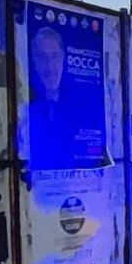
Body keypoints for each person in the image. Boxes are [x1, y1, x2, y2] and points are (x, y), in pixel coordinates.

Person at [29, 25, 99, 168]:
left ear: (62, 58)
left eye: (54, 56)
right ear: (34, 62)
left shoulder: (82, 106)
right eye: (42, 58)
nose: (50, 67)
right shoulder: (24, 103)